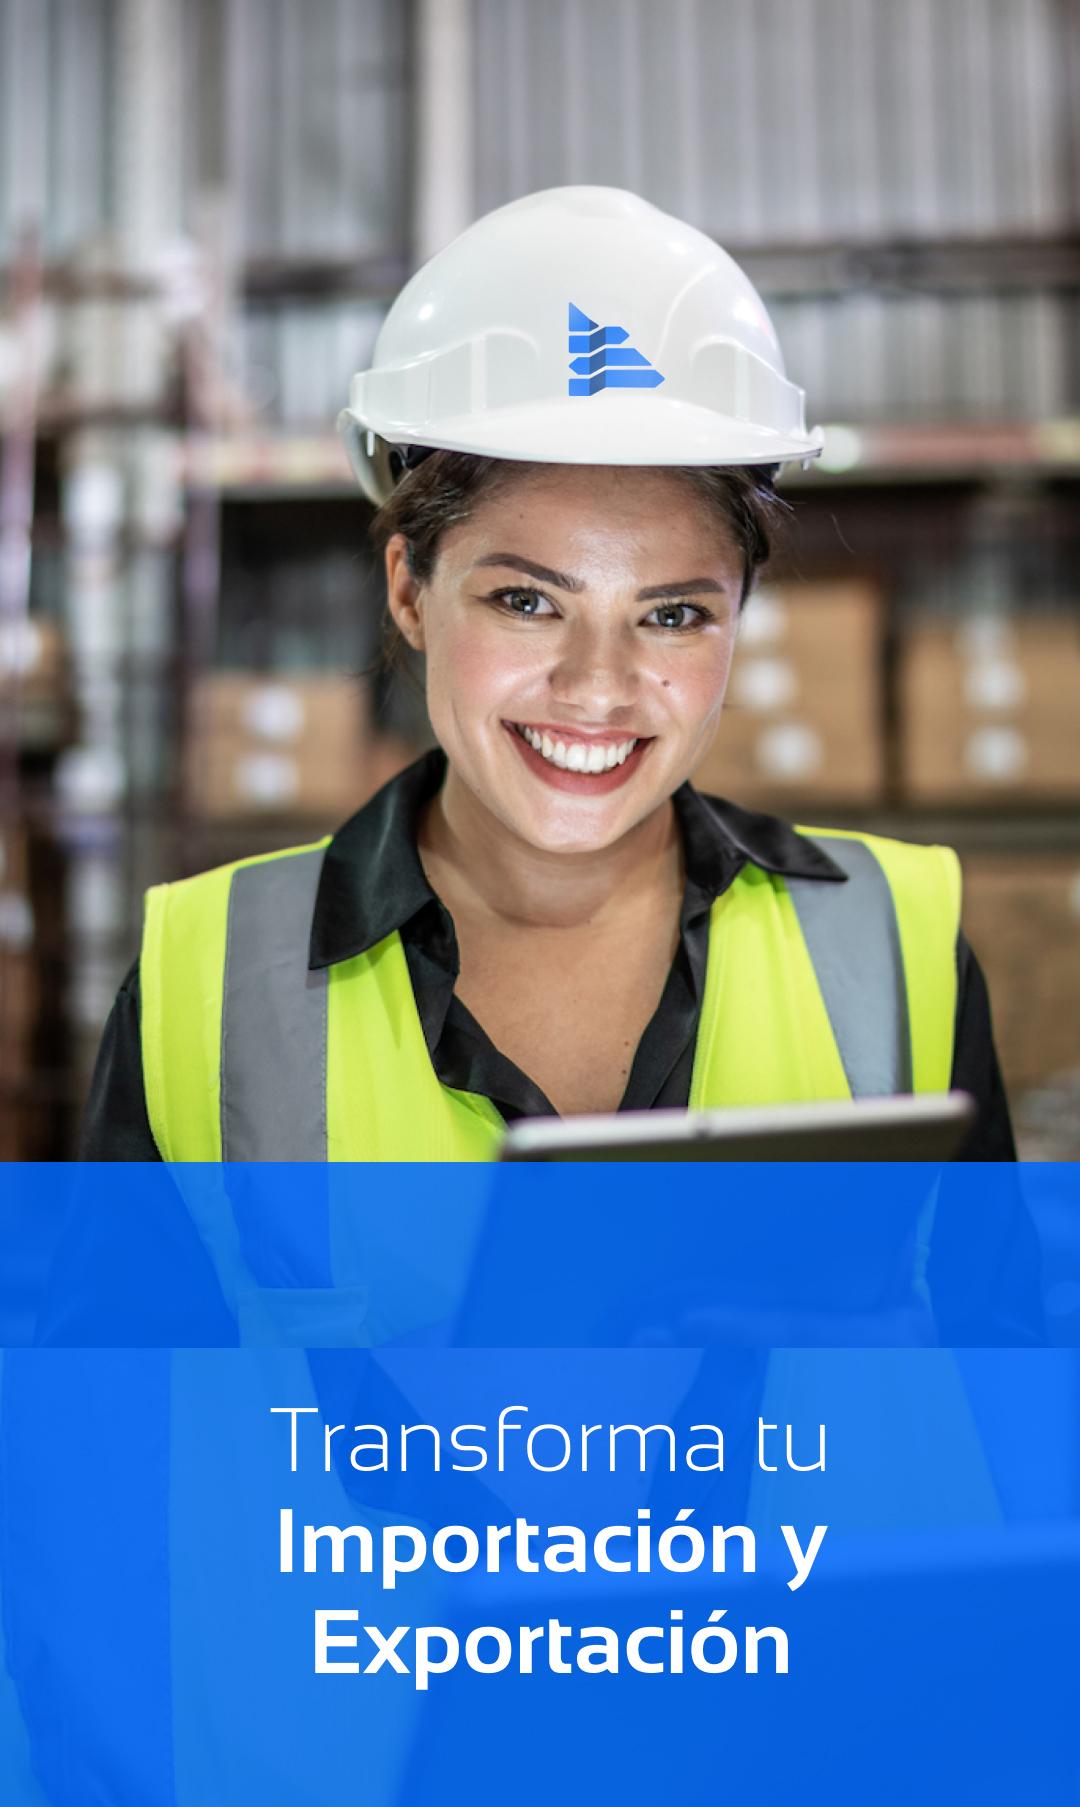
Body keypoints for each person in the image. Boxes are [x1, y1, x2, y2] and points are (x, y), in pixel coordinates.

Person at [81, 185, 1017, 1164]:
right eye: (527, 602)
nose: (599, 685)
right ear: (410, 590)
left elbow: (988, 1318)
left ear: (737, 616)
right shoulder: (206, 981)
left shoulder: (894, 948)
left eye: (672, 614)